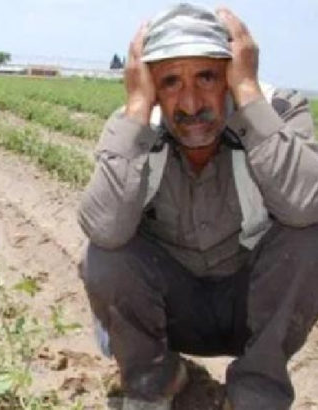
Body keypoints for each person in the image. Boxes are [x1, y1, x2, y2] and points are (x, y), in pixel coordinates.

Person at [78, 3, 318, 410]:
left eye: (207, 76)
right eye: (170, 82)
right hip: (175, 312)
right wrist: (137, 108)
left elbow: (305, 205)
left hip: (251, 309)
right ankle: (154, 381)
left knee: (311, 236)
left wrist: (248, 95)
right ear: (151, 85)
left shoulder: (276, 113)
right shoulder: (135, 128)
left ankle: (257, 393)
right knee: (104, 254)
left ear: (232, 72)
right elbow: (103, 228)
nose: (190, 103)